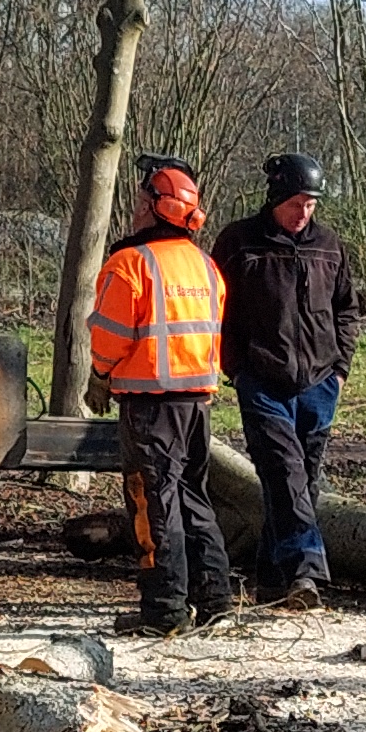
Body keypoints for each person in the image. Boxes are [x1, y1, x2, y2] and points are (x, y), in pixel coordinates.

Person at [88, 157, 234, 632]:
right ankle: (215, 599)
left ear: (155, 207)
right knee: (193, 495)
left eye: (139, 201)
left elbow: (109, 338)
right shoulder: (205, 266)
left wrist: (100, 373)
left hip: (149, 404)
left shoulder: (131, 263)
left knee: (154, 502)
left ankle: (164, 609)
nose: (134, 210)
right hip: (196, 401)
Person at [214, 152, 362, 603]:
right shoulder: (239, 242)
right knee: (284, 473)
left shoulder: (330, 246)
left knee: (303, 482)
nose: (304, 212)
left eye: (312, 204)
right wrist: (237, 368)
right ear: (275, 198)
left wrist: (339, 370)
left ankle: (270, 580)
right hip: (262, 381)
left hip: (319, 383)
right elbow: (216, 311)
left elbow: (347, 310)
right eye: (297, 203)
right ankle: (306, 573)